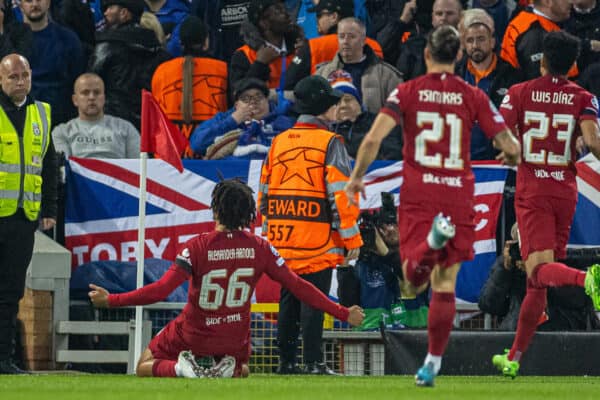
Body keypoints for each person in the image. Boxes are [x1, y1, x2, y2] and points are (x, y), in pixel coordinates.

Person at [344, 26, 521, 387]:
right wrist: (511, 154)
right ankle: (432, 362)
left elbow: (374, 137)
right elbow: (509, 144)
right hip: (457, 193)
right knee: (444, 286)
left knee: (411, 277)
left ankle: (430, 245)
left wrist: (357, 177)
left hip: (420, 191)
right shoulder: (473, 95)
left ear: (427, 54)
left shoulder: (406, 91)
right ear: (458, 56)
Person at [88, 178, 365, 378]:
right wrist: (342, 312)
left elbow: (161, 289)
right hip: (234, 338)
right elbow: (300, 287)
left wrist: (111, 300)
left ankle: (180, 368)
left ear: (216, 209)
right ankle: (223, 370)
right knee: (242, 370)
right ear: (248, 214)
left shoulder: (197, 246)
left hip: (193, 332)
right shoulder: (261, 247)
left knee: (144, 364)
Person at [492, 30, 600, 379]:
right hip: (564, 190)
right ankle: (514, 357)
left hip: (533, 191)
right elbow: (594, 144)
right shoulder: (584, 97)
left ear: (541, 59)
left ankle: (588, 280)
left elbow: (500, 136)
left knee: (537, 269)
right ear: (572, 65)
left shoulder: (518, 93)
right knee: (537, 284)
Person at [258, 75, 363, 375]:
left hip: (283, 239)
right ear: (324, 108)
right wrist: (352, 241)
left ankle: (286, 361)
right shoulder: (331, 142)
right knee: (313, 302)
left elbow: (263, 193)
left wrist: (270, 233)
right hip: (315, 238)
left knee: (288, 301)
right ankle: (314, 362)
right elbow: (341, 195)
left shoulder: (278, 142)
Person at [0, 54, 58, 374]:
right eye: (12, 77)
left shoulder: (43, 113)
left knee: (10, 292)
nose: (20, 81)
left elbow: (48, 166)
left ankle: (4, 360)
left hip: (23, 217)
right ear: (1, 80)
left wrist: (49, 208)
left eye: (24, 75)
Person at [151, 15, 228, 157]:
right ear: (206, 42)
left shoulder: (162, 71)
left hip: (168, 156)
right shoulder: (222, 70)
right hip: (211, 153)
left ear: (180, 43)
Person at [88, 0, 171, 130]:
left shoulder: (107, 47)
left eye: (110, 8)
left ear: (124, 13)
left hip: (112, 123)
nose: (105, 13)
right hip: (148, 124)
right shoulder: (156, 48)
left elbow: (90, 82)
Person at [456, 9, 522, 160]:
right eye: (470, 40)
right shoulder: (454, 75)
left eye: (481, 39)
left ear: (492, 42)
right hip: (462, 160)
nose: (475, 45)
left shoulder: (512, 77)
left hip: (496, 161)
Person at [284, 0, 383, 90]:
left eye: (319, 15)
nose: (316, 21)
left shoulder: (313, 46)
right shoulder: (374, 45)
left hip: (324, 105)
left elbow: (288, 83)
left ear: (334, 17)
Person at [190, 78, 294, 159]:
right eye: (246, 98)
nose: (253, 102)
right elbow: (197, 145)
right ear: (236, 105)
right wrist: (232, 121)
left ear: (267, 101)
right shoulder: (223, 119)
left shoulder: (286, 123)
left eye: (259, 97)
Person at [315, 17, 402, 114]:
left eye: (351, 37)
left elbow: (397, 115)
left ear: (363, 40)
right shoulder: (321, 74)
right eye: (341, 36)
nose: (345, 41)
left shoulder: (388, 76)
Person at [20, 0, 86, 126]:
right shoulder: (10, 39)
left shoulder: (68, 39)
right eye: (29, 0)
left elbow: (78, 81)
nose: (34, 4)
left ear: (49, 3)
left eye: (39, 0)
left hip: (60, 120)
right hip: (20, 119)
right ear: (20, 6)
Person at [52, 73, 140, 159]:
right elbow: (61, 168)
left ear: (104, 98)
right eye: (85, 93)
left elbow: (141, 166)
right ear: (75, 100)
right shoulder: (61, 132)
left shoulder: (126, 128)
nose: (91, 97)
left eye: (97, 92)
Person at [328, 71, 402, 160]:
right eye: (337, 102)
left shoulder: (380, 123)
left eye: (348, 99)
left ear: (359, 103)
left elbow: (394, 152)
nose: (343, 105)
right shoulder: (325, 130)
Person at [500, 0, 576, 82]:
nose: (571, 1)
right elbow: (541, 86)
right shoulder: (529, 33)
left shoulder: (560, 21)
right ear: (547, 2)